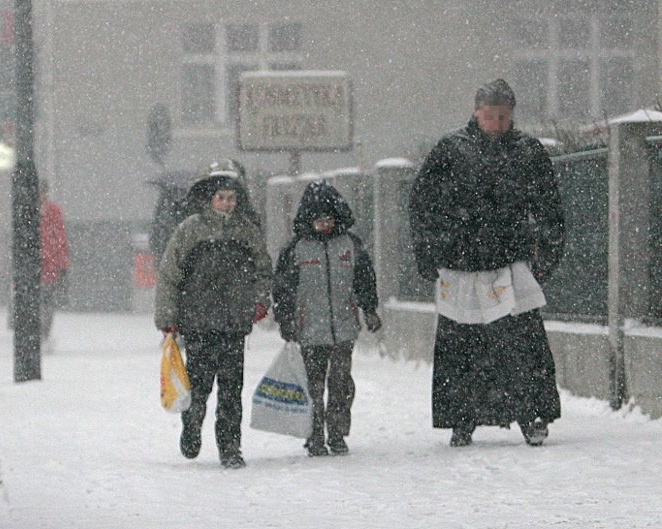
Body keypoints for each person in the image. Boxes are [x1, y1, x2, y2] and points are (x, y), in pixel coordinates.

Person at [408, 79, 566, 447]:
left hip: (508, 263)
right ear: (476, 112)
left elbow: (549, 208)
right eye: (489, 116)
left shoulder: (528, 152)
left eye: (502, 117)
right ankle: (461, 421)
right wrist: (431, 250)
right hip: (461, 264)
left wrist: (545, 254)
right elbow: (422, 203)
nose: (495, 123)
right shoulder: (451, 150)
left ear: (512, 115)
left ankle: (531, 415)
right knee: (462, 348)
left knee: (521, 346)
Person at [154, 159, 272, 469]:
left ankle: (230, 447)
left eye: (231, 198)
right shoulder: (189, 231)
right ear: (209, 198)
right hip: (198, 324)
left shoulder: (247, 232)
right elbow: (170, 275)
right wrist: (168, 317)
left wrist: (260, 301)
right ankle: (192, 428)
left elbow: (263, 270)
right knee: (199, 385)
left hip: (234, 324)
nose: (226, 203)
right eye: (220, 197)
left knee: (232, 390)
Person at [272, 180, 381, 457]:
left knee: (341, 383)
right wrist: (286, 320)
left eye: (329, 219)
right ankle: (315, 433)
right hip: (309, 329)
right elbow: (283, 289)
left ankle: (337, 431)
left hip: (344, 328)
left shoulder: (350, 246)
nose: (325, 225)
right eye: (319, 220)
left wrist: (369, 309)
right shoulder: (296, 250)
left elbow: (364, 280)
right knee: (313, 385)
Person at [39, 178, 70, 343]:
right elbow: (60, 238)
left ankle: (43, 333)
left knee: (45, 301)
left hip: (47, 266)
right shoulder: (50, 211)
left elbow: (60, 238)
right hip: (44, 266)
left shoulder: (52, 211)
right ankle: (42, 332)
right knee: (44, 302)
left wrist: (62, 263)